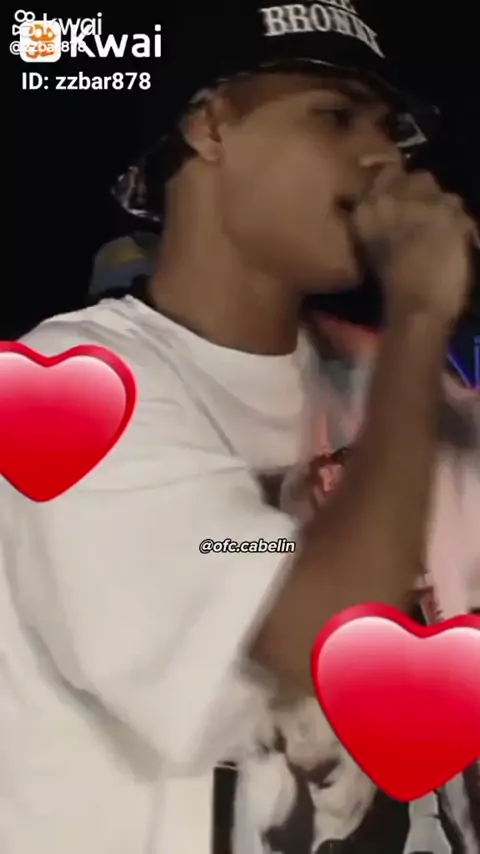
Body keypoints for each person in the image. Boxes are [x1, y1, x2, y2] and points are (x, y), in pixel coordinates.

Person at [2, 2, 479, 853]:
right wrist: (418, 314)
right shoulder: (65, 395)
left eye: (391, 129)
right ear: (210, 125)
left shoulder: (399, 384)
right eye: (335, 116)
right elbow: (315, 641)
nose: (384, 156)